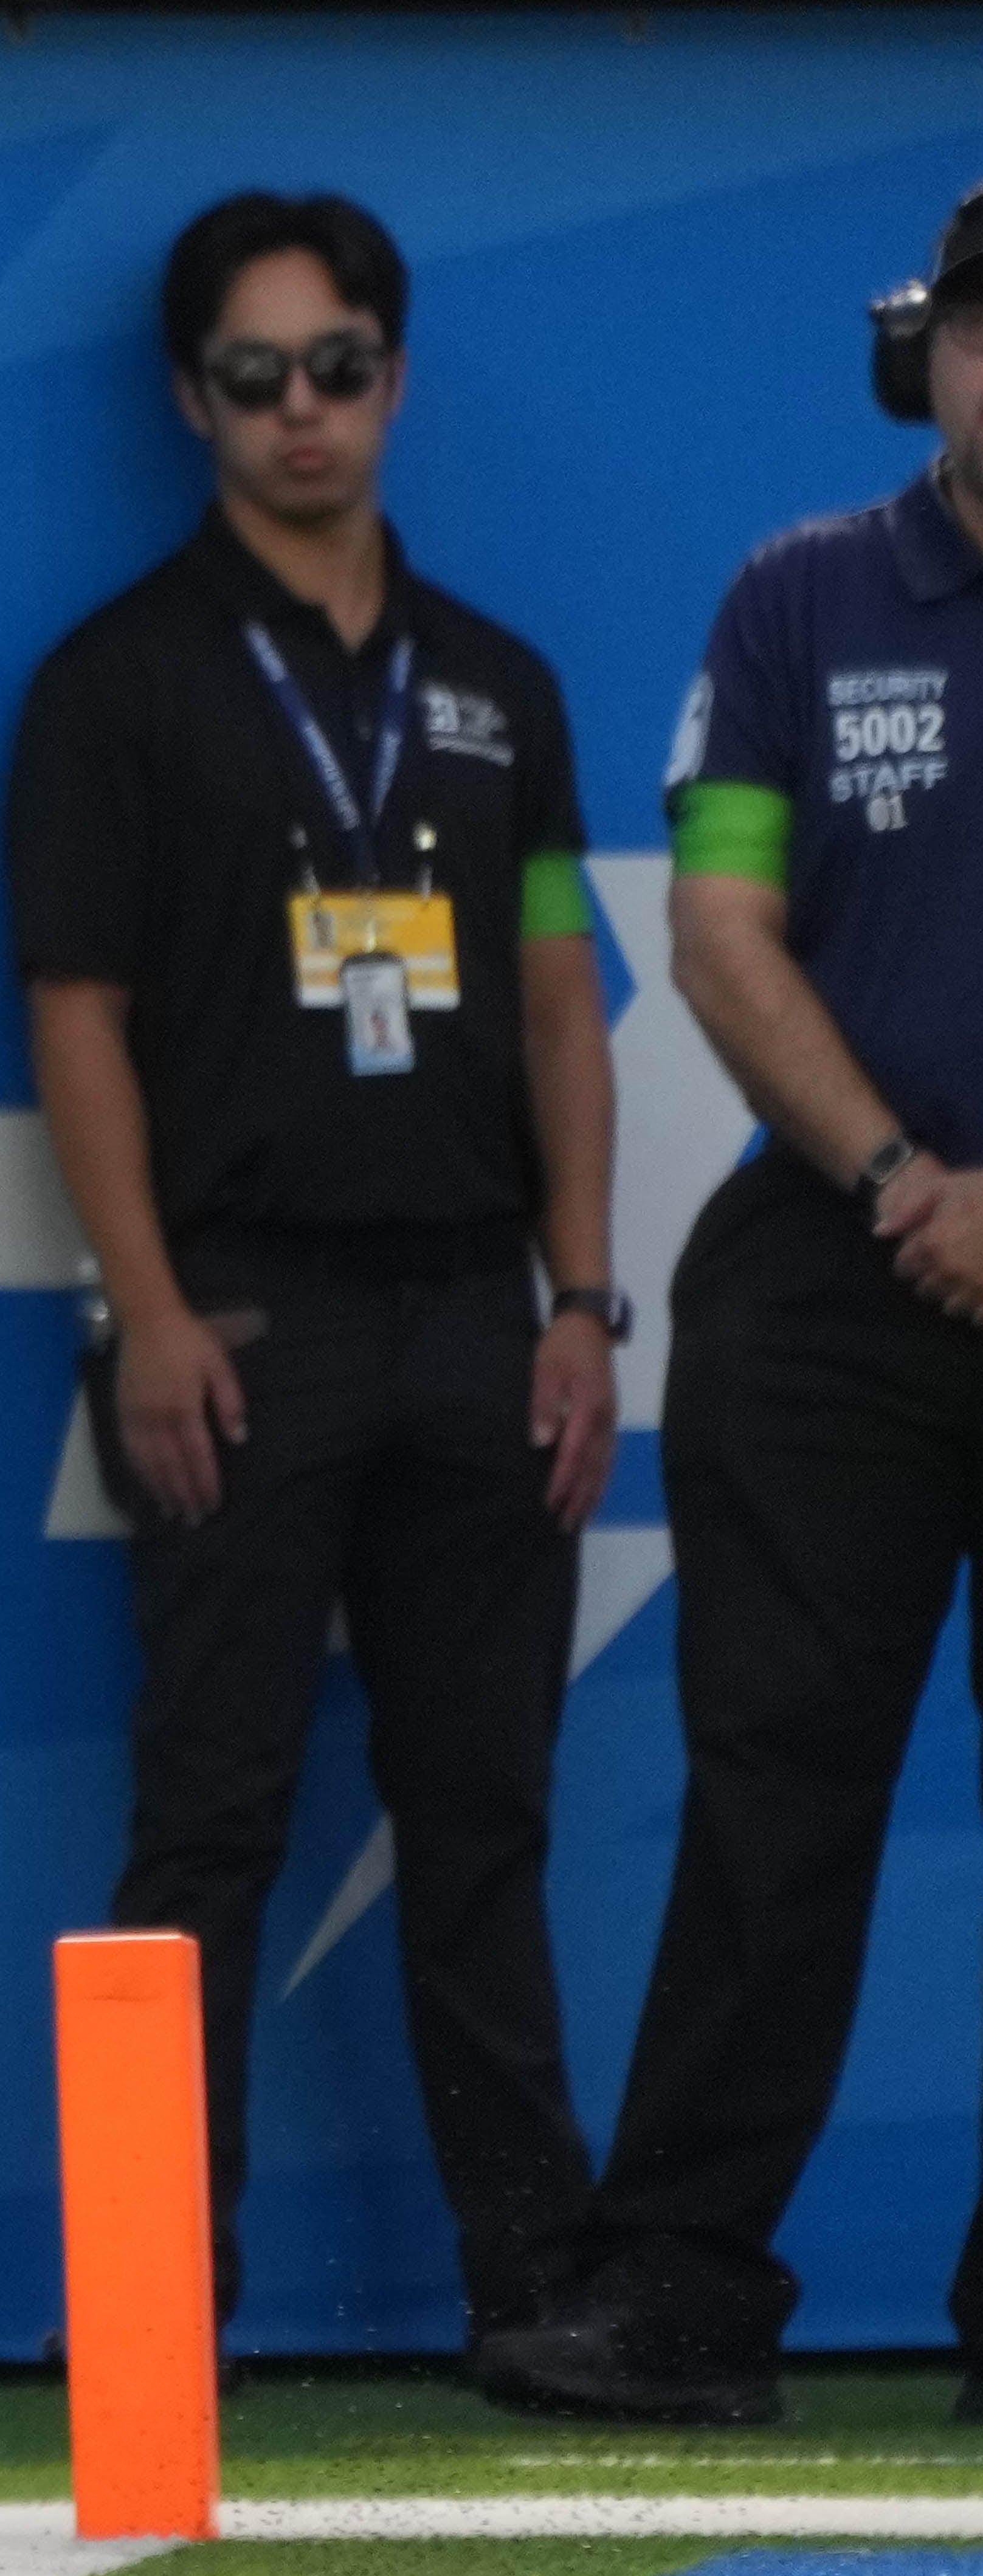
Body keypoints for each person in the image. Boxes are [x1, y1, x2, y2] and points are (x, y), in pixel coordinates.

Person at [4, 192, 620, 2369]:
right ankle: (155, 2328)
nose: (299, 415)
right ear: (189, 399)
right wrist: (143, 1307)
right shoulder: (112, 687)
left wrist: (583, 1304)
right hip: (237, 1323)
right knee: (204, 1834)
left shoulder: (496, 686)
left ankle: (540, 2298)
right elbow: (70, 1018)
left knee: (485, 1831)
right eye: (252, 377)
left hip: (479, 1317)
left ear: (393, 375)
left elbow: (562, 1006)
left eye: (336, 366)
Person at [480, 184, 983, 2428]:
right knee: (774, 1790)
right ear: (924, 356)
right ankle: (676, 2288)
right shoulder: (802, 596)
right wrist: (900, 1178)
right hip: (834, 1266)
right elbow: (715, 932)